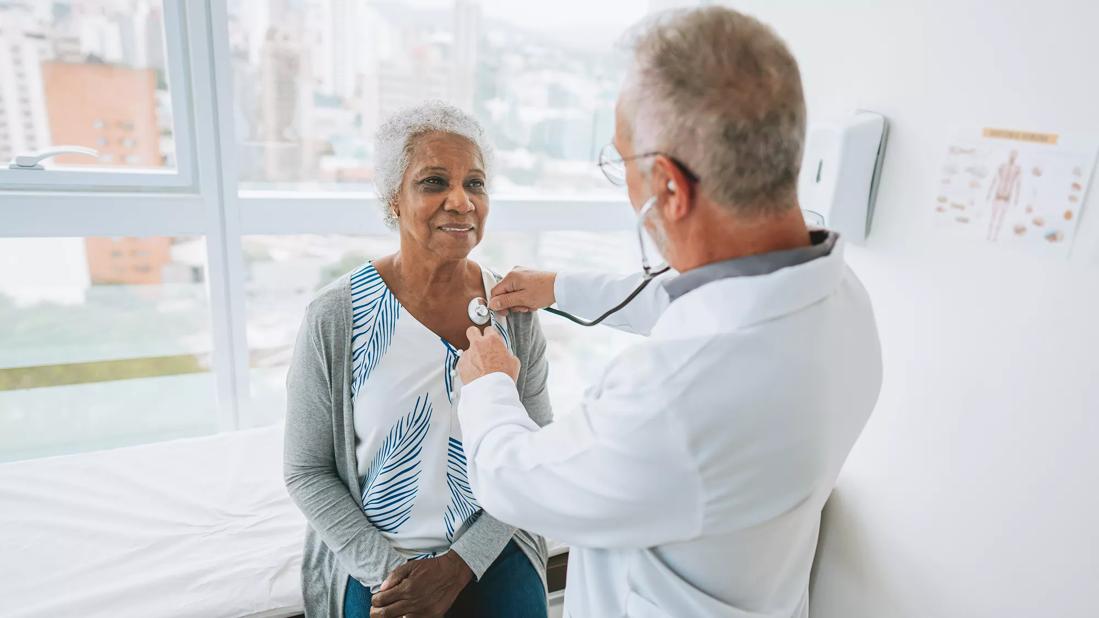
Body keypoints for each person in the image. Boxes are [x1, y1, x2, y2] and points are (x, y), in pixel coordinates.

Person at [455, 7, 883, 617]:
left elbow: (515, 479)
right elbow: (706, 300)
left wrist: (492, 386)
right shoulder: (841, 299)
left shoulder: (674, 398)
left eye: (620, 164)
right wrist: (562, 287)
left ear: (670, 188)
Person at [284, 102, 552, 618]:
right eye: (434, 182)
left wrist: (460, 566)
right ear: (394, 202)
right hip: (378, 559)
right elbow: (306, 470)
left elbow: (535, 452)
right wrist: (389, 573)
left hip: (491, 546)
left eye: (475, 184)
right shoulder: (338, 315)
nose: (461, 200)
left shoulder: (513, 311)